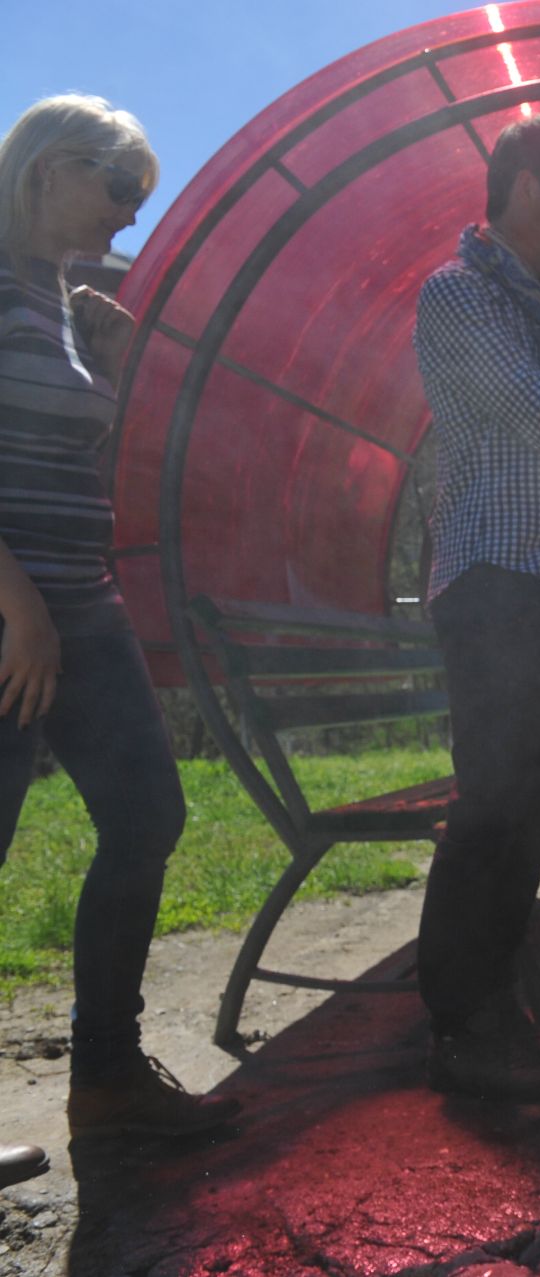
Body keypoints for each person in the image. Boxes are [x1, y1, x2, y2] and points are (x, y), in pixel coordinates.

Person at [0, 94, 240, 1142]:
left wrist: (100, 359)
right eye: (122, 189)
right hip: (12, 609)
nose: (135, 216)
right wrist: (16, 603)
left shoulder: (56, 294)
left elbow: (56, 460)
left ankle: (104, 1080)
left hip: (77, 601)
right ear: (50, 167)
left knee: (147, 814)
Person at [411, 114, 540, 1100]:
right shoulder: (459, 293)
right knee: (494, 807)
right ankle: (459, 1023)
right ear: (525, 187)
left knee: (538, 810)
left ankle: (497, 1005)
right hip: (498, 581)